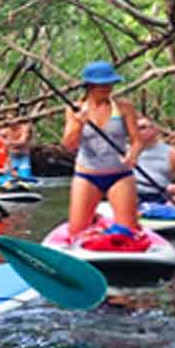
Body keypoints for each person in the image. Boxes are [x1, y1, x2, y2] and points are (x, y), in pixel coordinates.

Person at [60, 60, 143, 236]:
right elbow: (68, 145)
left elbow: (137, 140)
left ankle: (108, 225)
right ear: (89, 85)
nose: (107, 87)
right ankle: (96, 221)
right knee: (76, 232)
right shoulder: (74, 109)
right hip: (87, 175)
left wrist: (133, 155)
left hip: (119, 175)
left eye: (110, 83)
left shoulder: (124, 107)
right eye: (101, 84)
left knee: (128, 233)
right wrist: (79, 123)